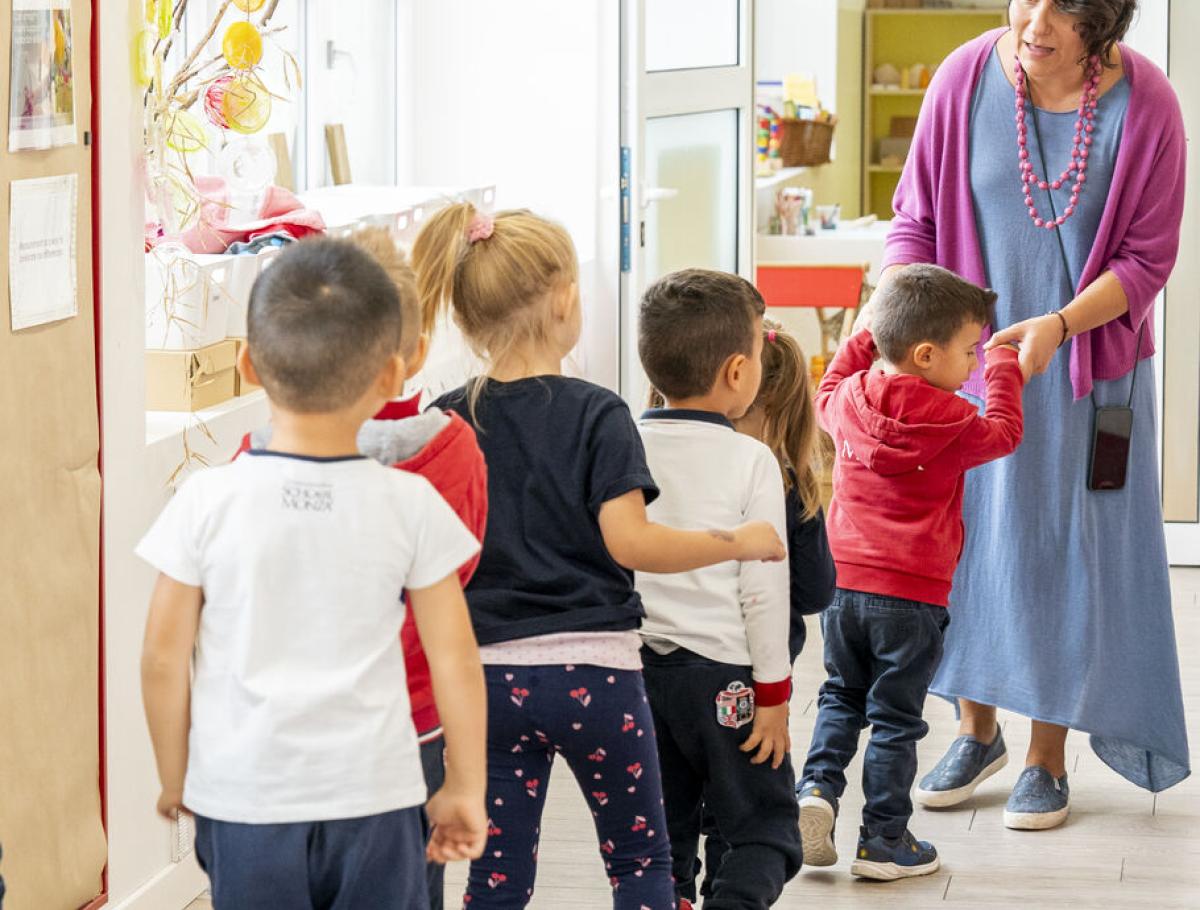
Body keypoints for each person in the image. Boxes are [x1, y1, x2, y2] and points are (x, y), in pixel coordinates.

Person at [413, 203, 785, 909]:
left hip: (488, 682)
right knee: (642, 859)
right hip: (599, 678)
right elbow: (632, 542)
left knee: (498, 871)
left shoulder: (444, 418)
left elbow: (432, 560)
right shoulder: (598, 412)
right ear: (565, 302)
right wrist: (733, 542)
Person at [874, 0, 1189, 828]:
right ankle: (977, 730)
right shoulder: (964, 77)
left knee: (1064, 549)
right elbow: (914, 222)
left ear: (1105, 23)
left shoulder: (1147, 103)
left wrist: (1057, 326)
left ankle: (1048, 753)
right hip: (964, 371)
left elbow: (1147, 258)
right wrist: (900, 335)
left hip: (1086, 373)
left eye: (1063, 9)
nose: (1035, 21)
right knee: (960, 542)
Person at [138, 239, 488, 908]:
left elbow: (161, 655)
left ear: (246, 365)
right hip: (377, 799)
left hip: (244, 797)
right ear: (391, 375)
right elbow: (455, 658)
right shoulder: (410, 504)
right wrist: (464, 786)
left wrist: (175, 772)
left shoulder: (206, 501)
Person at [797, 265, 1024, 881]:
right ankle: (883, 841)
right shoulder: (954, 423)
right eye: (971, 351)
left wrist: (866, 330)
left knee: (841, 695)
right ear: (927, 355)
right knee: (896, 720)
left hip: (842, 587)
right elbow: (1005, 432)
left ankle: (815, 788)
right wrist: (1006, 370)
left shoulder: (845, 402)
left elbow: (830, 383)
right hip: (912, 599)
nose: (977, 360)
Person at [634, 271, 804, 910]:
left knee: (663, 831)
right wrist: (774, 694)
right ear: (738, 372)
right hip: (726, 681)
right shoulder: (752, 461)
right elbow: (765, 587)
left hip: (641, 676)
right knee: (763, 828)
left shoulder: (623, 439)